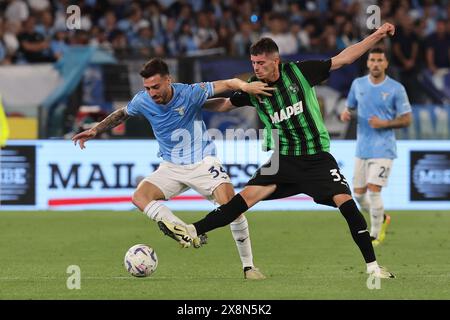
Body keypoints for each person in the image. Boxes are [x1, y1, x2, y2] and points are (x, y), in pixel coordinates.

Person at [160, 23, 398, 279]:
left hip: (317, 158)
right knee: (240, 202)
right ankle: (193, 230)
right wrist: (192, 103)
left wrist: (377, 34)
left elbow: (344, 58)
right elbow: (226, 105)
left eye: (261, 63)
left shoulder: (300, 73)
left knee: (348, 206)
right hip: (283, 162)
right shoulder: (254, 88)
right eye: (253, 63)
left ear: (276, 61)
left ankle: (373, 267)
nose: (256, 68)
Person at [72, 58, 275, 280]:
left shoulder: (189, 93)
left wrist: (246, 86)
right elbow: (122, 113)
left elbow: (228, 83)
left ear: (169, 80)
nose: (151, 93)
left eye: (156, 87)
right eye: (147, 88)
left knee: (233, 208)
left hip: (202, 162)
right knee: (139, 197)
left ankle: (249, 268)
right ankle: (183, 231)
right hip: (171, 166)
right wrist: (95, 130)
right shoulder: (143, 101)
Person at [340, 48, 412, 246]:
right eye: (372, 60)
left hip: (384, 147)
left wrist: (385, 123)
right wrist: (346, 113)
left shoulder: (396, 88)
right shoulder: (358, 84)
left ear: (386, 64)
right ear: (368, 63)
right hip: (362, 147)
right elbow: (350, 106)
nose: (376, 64)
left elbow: (407, 120)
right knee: (359, 195)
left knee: (374, 191)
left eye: (380, 60)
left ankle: (375, 234)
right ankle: (383, 217)